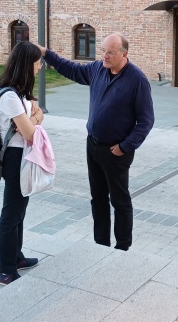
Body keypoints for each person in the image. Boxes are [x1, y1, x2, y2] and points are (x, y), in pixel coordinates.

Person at [38, 33, 154, 251]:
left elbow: (146, 121)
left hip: (116, 152)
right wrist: (46, 54)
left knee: (119, 200)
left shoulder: (137, 80)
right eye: (102, 51)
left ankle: (123, 247)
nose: (104, 56)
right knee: (97, 198)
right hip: (93, 146)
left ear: (124, 53)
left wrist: (125, 147)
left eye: (110, 52)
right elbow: (71, 69)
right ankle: (100, 244)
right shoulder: (97, 70)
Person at [0, 41, 44, 285]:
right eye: (37, 63)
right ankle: (5, 269)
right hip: (13, 159)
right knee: (11, 213)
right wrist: (35, 115)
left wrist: (33, 116)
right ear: (26, 65)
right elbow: (31, 132)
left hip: (21, 157)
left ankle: (16, 257)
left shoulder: (18, 93)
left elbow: (32, 121)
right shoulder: (9, 96)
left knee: (19, 212)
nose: (40, 67)